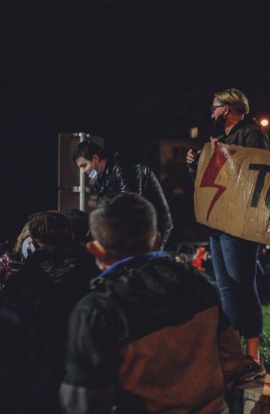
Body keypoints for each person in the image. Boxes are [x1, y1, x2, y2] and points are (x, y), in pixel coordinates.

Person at [60, 193, 243, 413]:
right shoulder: (202, 285)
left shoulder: (97, 310)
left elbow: (82, 403)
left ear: (95, 250)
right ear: (156, 240)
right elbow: (232, 362)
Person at [186, 88, 269, 380]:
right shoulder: (221, 137)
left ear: (228, 108)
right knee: (227, 288)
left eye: (215, 105)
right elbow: (209, 182)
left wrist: (220, 153)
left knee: (243, 286)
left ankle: (254, 358)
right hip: (217, 223)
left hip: (239, 223)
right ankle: (234, 357)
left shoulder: (251, 133)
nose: (211, 110)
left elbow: (253, 171)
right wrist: (196, 163)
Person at [2, 211, 99, 412]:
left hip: (39, 377)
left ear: (34, 244)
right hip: (87, 374)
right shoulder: (95, 272)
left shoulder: (22, 281)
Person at [72, 141, 173, 249]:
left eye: (84, 165)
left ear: (95, 159)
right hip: (133, 226)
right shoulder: (102, 178)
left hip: (152, 230)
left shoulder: (122, 168)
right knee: (74, 216)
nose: (82, 171)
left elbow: (130, 205)